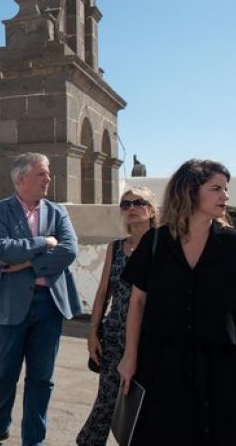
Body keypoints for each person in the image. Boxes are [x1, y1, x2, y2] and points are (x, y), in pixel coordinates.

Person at [118, 160, 236, 445]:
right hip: (162, 365)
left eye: (226, 189)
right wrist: (130, 358)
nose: (225, 196)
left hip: (224, 368)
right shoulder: (155, 242)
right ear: (190, 191)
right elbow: (137, 303)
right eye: (216, 188)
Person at [0, 152, 80, 446]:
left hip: (49, 303)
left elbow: (69, 251)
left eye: (48, 173)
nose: (48, 178)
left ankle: (34, 440)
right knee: (4, 372)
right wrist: (44, 242)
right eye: (42, 173)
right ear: (21, 179)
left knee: (42, 378)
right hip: (10, 305)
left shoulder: (57, 212)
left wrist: (28, 263)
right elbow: (2, 251)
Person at [76, 187, 158, 445]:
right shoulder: (116, 248)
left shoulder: (164, 244)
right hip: (114, 334)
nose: (131, 208)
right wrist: (93, 332)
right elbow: (102, 293)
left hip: (152, 335)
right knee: (108, 398)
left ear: (152, 209)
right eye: (125, 204)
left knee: (148, 402)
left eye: (138, 203)